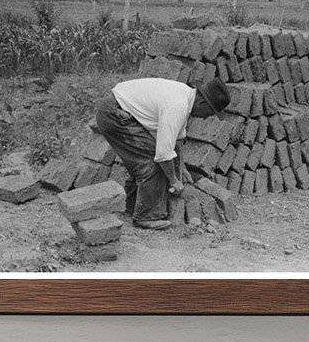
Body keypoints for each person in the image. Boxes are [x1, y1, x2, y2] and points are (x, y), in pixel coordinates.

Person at [95, 76, 231, 229]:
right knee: (153, 161)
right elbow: (163, 154)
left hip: (118, 110)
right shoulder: (178, 106)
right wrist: (174, 180)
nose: (207, 117)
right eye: (210, 112)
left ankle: (131, 205)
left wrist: (182, 167)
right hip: (115, 114)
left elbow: (176, 141)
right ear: (202, 102)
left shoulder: (185, 96)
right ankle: (147, 216)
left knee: (145, 158)